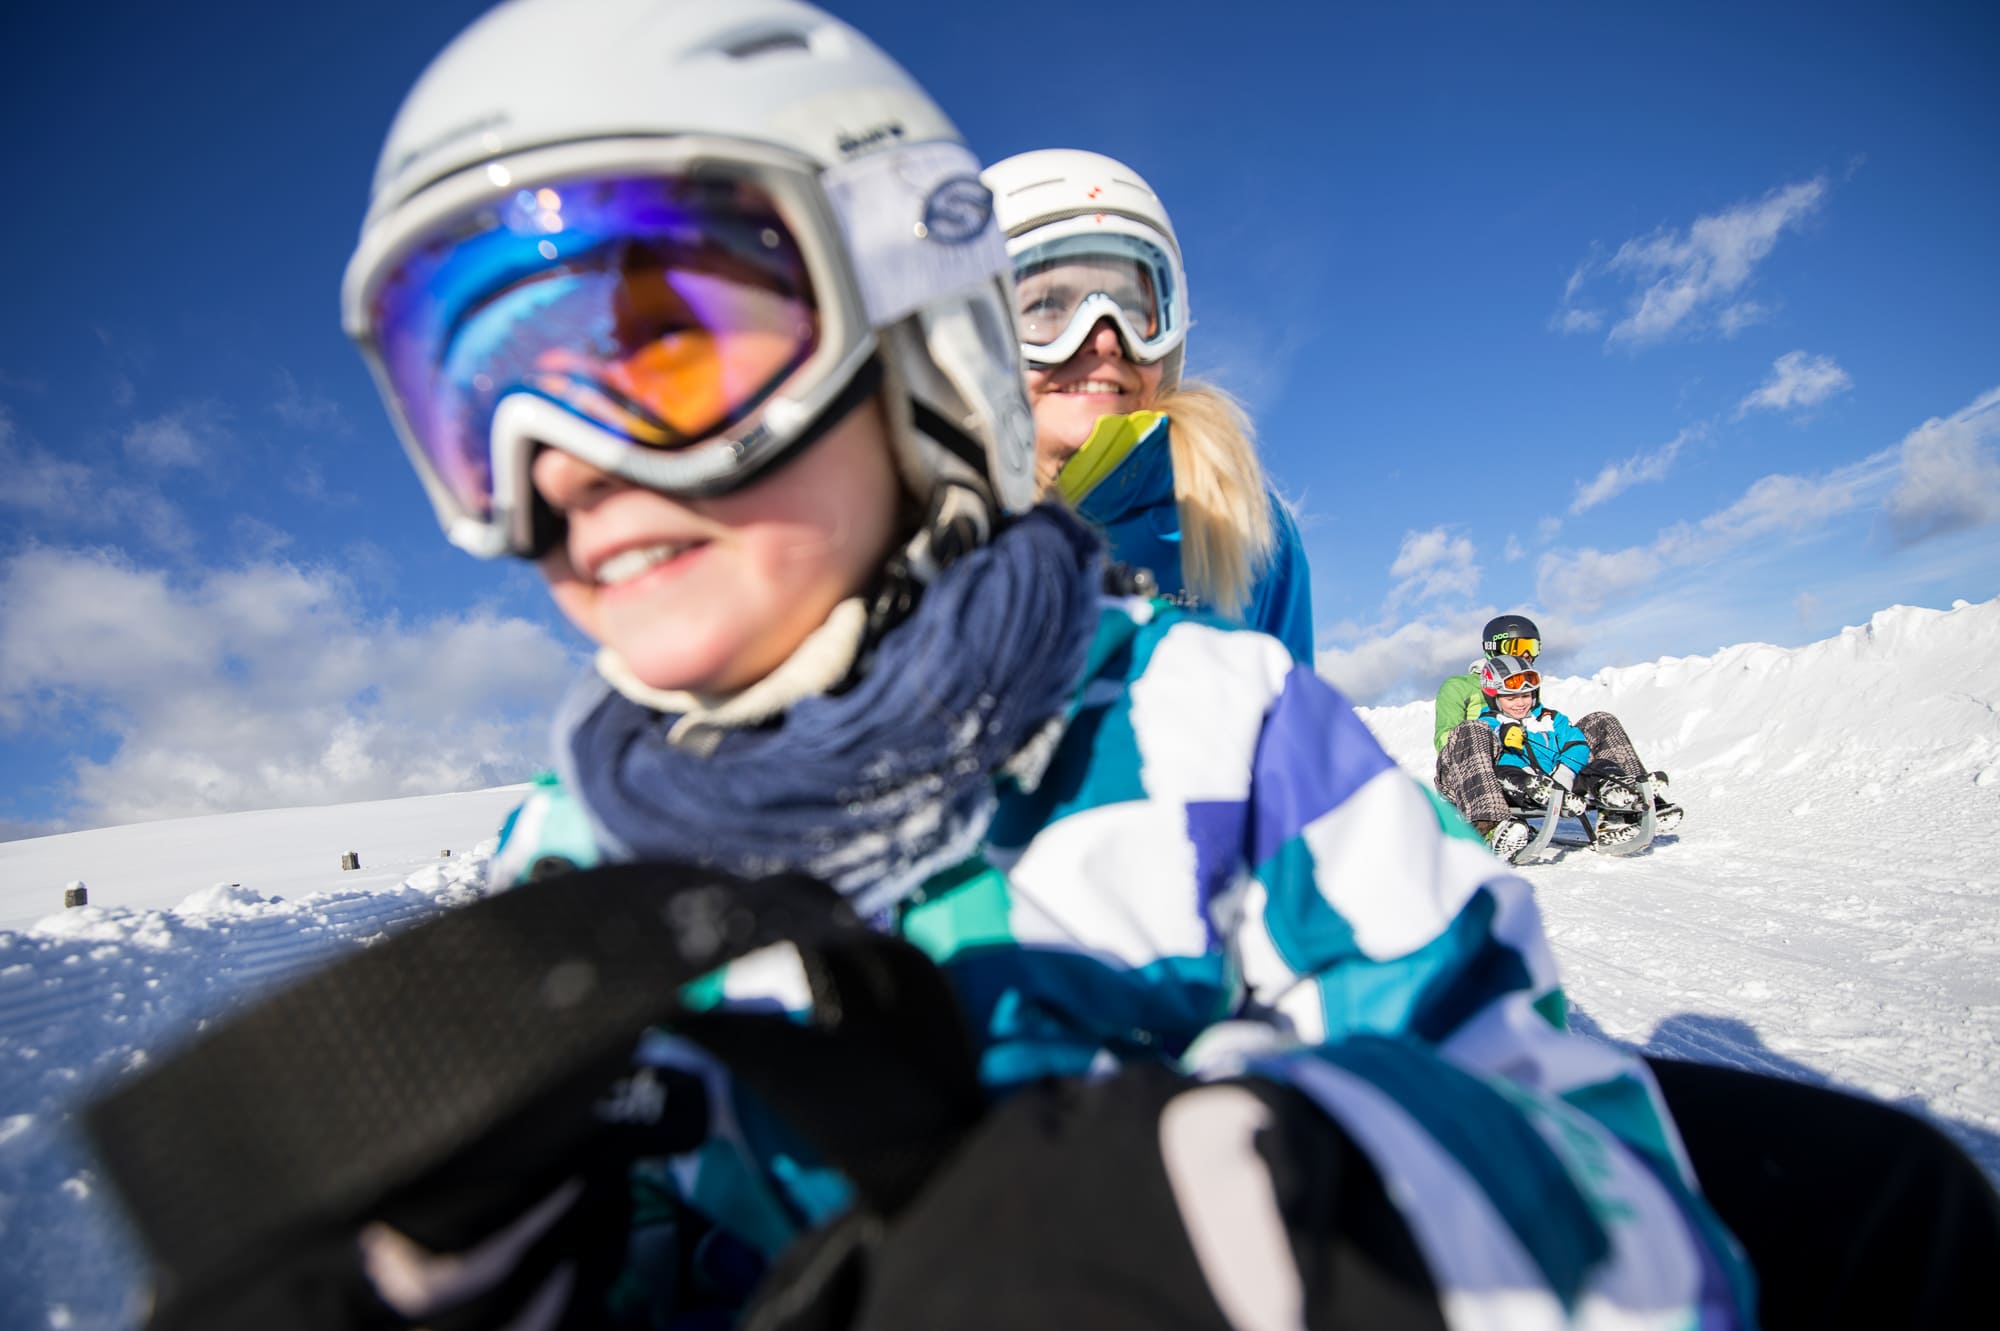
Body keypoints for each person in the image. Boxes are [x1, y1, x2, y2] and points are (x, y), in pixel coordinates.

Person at [266, 1, 1995, 1327]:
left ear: (901, 325)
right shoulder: (563, 889)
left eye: (673, 346)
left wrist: (1288, 1201)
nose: (560, 455)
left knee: (1894, 1202)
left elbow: (1571, 1158)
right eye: (466, 391)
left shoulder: (1213, 717)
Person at [980, 148, 1316, 663]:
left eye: (1133, 309)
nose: (1106, 340)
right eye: (1046, 307)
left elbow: (1290, 723)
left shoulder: (1241, 521)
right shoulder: (929, 528)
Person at [1436, 613, 1682, 859]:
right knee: (1473, 730)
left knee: (1600, 721)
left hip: (1529, 765)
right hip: (1471, 773)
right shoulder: (1459, 686)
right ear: (1492, 648)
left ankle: (1629, 803)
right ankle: (1489, 826)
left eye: (1531, 648)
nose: (1525, 655)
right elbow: (1445, 741)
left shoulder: (1526, 683)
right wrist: (1494, 733)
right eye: (1516, 647)